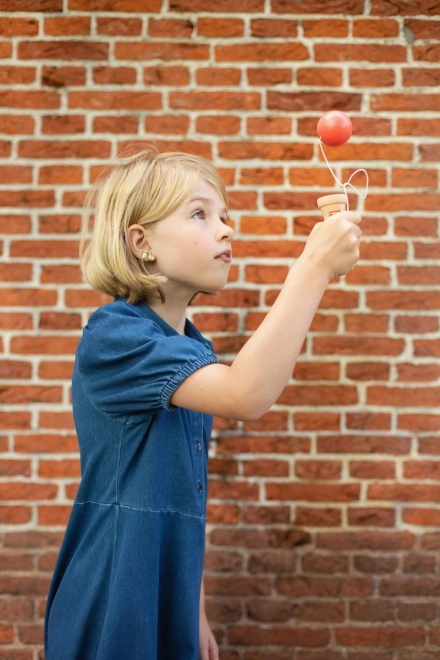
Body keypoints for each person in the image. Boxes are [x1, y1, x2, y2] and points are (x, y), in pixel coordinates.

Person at [44, 150, 362, 660]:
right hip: (115, 594)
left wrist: (194, 608)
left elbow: (183, 498)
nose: (225, 230)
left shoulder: (193, 351)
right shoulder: (114, 335)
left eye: (223, 215)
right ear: (141, 242)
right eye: (199, 214)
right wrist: (314, 266)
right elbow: (247, 393)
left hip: (168, 594)